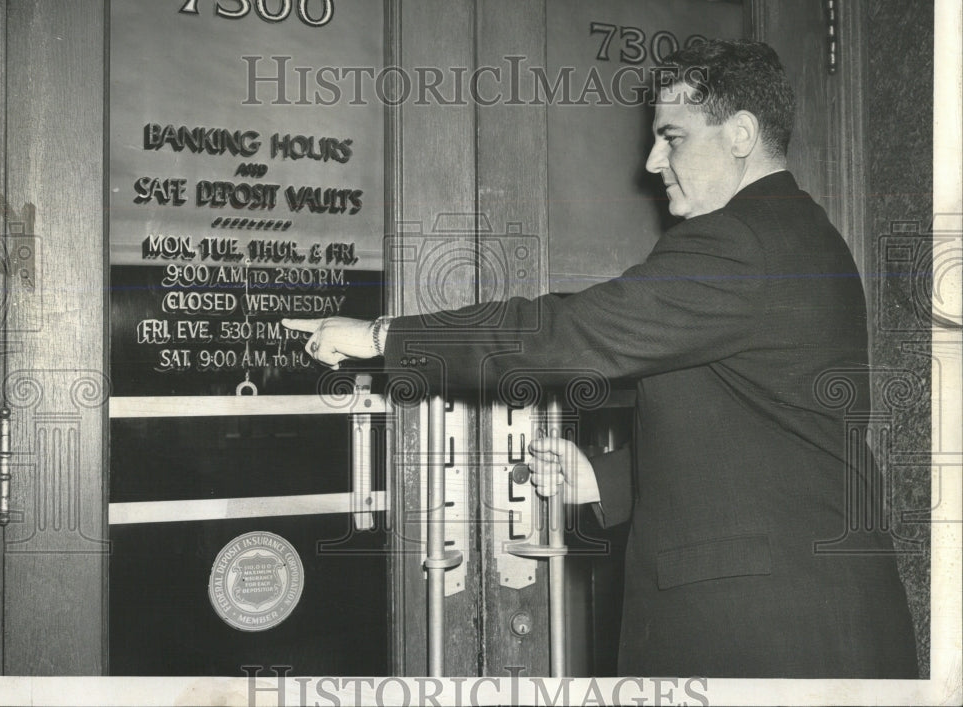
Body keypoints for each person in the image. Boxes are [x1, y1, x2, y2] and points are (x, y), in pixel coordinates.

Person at [283, 40, 918, 678]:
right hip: (809, 618)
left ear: (741, 135)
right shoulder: (798, 233)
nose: (651, 161)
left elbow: (564, 332)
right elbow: (771, 432)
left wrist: (383, 337)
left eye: (671, 137)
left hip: (770, 635)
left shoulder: (739, 242)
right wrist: (606, 480)